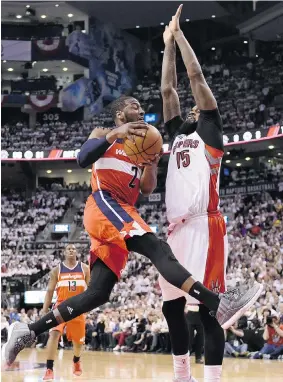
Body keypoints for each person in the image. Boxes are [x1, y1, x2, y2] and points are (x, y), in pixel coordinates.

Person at [3, 97, 262, 368]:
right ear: (119, 114)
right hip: (105, 202)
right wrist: (117, 134)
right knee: (157, 248)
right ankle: (216, 302)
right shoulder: (104, 134)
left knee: (99, 293)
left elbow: (147, 189)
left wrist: (150, 163)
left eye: (141, 108)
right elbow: (82, 158)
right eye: (134, 106)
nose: (140, 110)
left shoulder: (140, 146)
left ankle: (28, 331)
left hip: (122, 210)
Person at [159, 5, 255, 382]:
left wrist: (180, 36)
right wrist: (166, 44)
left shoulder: (211, 129)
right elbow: (168, 88)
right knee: (171, 309)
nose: (194, 109)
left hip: (206, 226)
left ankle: (212, 378)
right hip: (176, 230)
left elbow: (194, 75)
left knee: (209, 310)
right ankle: (182, 375)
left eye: (199, 107)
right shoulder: (178, 134)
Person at [42, 244, 90, 380]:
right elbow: (50, 291)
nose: (71, 250)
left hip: (78, 307)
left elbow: (91, 290)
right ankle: (49, 368)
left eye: (74, 249)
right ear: (64, 252)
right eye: (68, 248)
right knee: (54, 335)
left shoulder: (85, 268)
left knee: (78, 342)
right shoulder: (57, 270)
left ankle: (76, 360)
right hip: (60, 307)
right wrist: (44, 310)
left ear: (76, 252)